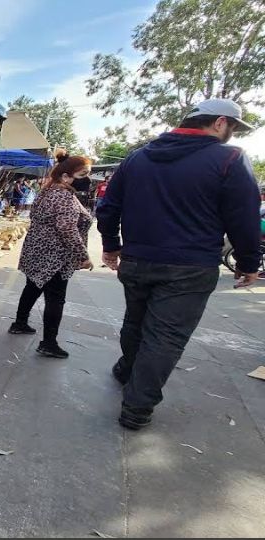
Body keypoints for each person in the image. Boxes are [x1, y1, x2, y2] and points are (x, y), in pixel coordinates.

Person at [97, 98, 261, 431]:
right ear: (219, 122)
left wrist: (111, 245)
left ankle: (128, 369)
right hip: (190, 266)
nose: (231, 134)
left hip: (138, 260)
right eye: (232, 127)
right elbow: (243, 218)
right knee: (165, 336)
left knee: (136, 322)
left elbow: (109, 206)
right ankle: (137, 406)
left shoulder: (137, 158)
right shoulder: (229, 159)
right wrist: (248, 262)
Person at [9, 149, 94, 358]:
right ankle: (49, 342)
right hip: (54, 257)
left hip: (38, 251)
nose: (87, 180)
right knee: (55, 298)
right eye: (83, 175)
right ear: (66, 177)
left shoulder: (48, 191)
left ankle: (20, 323)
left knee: (32, 287)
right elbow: (67, 229)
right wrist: (83, 255)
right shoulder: (63, 196)